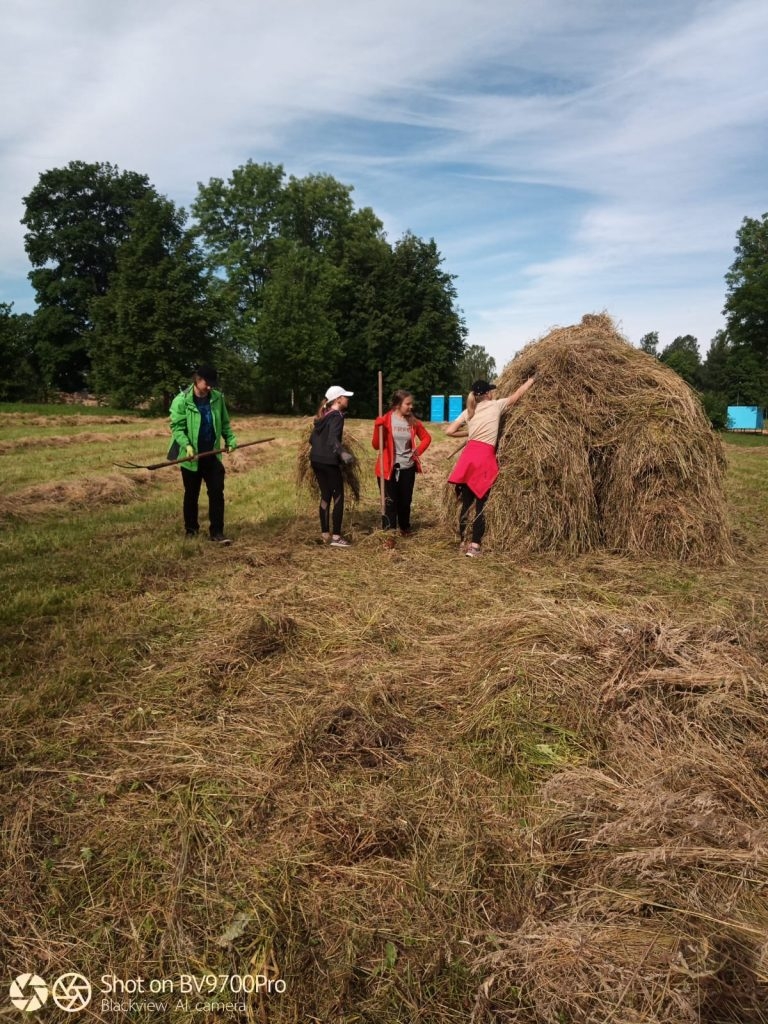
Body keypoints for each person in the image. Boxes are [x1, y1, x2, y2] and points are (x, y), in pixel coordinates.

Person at [445, 376, 535, 557]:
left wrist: (469, 432)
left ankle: (462, 541)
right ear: (487, 394)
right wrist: (531, 380)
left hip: (468, 456)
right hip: (483, 458)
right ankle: (475, 546)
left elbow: (449, 431)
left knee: (466, 502)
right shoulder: (496, 405)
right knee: (481, 504)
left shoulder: (469, 411)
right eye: (491, 391)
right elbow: (516, 396)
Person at [168, 365, 237, 544]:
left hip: (212, 454)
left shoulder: (217, 398)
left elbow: (224, 422)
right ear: (197, 380)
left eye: (212, 384)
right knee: (191, 494)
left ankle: (217, 532)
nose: (210, 388)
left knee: (216, 492)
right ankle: (191, 531)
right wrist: (187, 446)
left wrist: (230, 438)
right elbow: (177, 428)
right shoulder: (181, 400)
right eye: (207, 383)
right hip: (191, 457)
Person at [372, 389, 432, 538]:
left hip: (407, 468)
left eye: (411, 403)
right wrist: (377, 427)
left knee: (405, 502)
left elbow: (427, 438)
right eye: (408, 404)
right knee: (389, 503)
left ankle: (404, 528)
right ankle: (389, 534)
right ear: (398, 404)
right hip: (388, 468)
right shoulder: (386, 420)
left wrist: (417, 452)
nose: (411, 407)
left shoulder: (413, 422)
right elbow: (375, 445)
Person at [310, 385, 355, 547]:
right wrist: (343, 453)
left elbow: (311, 440)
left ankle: (324, 534)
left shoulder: (323, 416)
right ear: (338, 400)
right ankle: (336, 537)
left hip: (315, 460)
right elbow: (332, 440)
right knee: (338, 496)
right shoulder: (337, 416)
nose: (348, 399)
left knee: (325, 495)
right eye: (345, 397)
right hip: (329, 461)